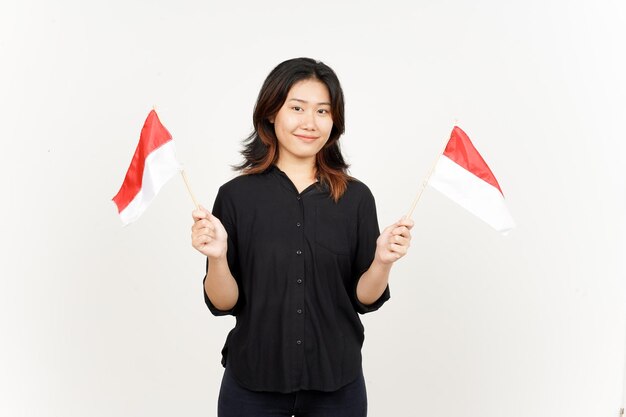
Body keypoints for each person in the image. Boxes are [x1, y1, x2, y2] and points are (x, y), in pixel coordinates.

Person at [191, 57, 413, 417]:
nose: (310, 122)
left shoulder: (356, 198)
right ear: (271, 113)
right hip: (252, 381)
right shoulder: (235, 196)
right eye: (297, 108)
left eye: (323, 111)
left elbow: (364, 298)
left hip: (336, 382)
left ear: (334, 122)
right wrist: (218, 257)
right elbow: (224, 303)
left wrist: (382, 262)